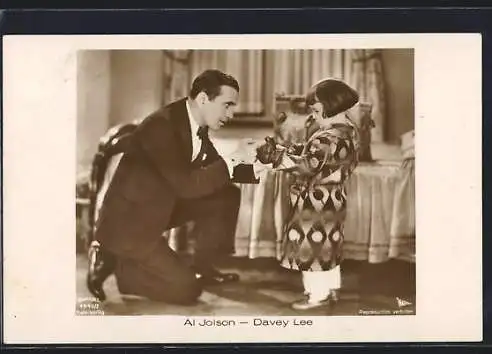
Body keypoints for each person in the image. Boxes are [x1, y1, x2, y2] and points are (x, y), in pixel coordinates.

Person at [87, 69, 266, 305]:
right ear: (203, 99)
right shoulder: (161, 126)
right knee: (187, 290)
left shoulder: (194, 123)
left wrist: (261, 162)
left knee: (226, 194)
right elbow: (188, 186)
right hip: (131, 223)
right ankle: (114, 260)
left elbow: (215, 172)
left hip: (160, 206)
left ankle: (204, 267)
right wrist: (233, 158)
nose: (231, 114)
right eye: (227, 105)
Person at [256, 78, 360, 310]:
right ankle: (331, 288)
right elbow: (315, 157)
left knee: (311, 249)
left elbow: (307, 165)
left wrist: (274, 157)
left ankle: (316, 296)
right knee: (328, 246)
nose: (312, 112)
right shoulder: (347, 131)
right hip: (333, 199)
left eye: (315, 108)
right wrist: (287, 150)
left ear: (331, 104)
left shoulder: (328, 137)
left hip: (314, 203)